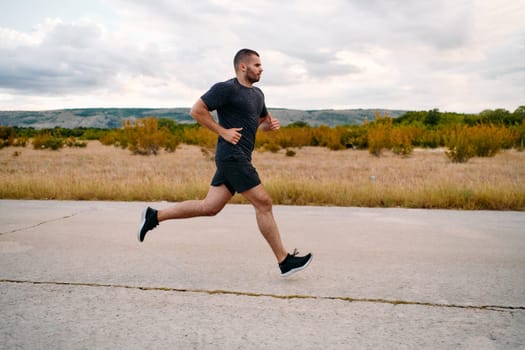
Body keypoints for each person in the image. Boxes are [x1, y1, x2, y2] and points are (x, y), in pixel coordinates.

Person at [137, 48, 312, 277]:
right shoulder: (226, 89)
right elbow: (196, 110)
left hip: (239, 157)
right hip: (232, 156)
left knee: (209, 207)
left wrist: (266, 128)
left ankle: (154, 216)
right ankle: (284, 261)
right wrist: (222, 131)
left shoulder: (258, 94)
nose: (261, 69)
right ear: (243, 67)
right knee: (264, 203)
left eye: (261, 65)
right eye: (257, 65)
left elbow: (258, 122)